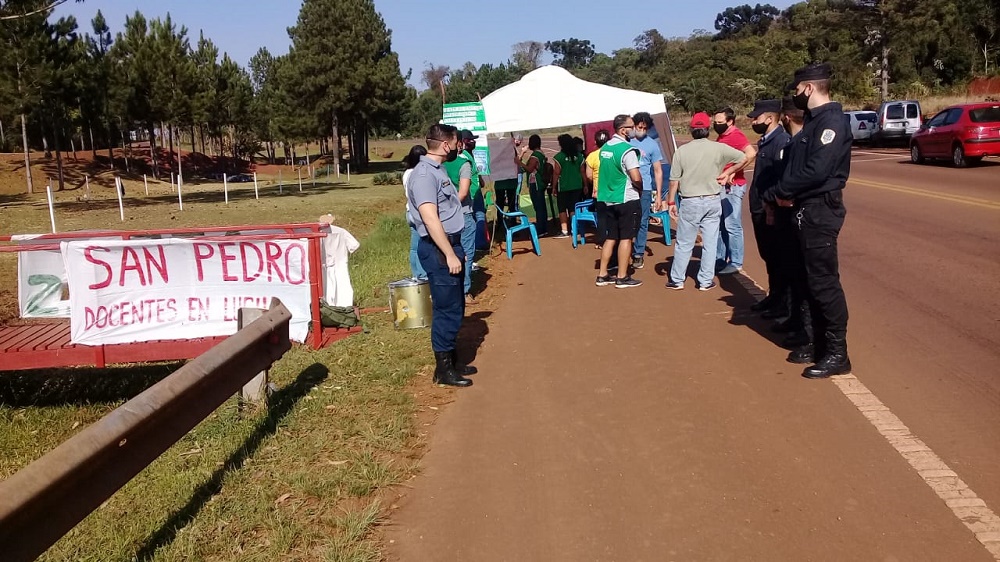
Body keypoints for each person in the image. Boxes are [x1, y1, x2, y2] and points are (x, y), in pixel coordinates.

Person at [764, 62, 852, 380]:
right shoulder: (814, 122)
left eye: (798, 89)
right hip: (803, 207)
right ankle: (816, 343)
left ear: (810, 88)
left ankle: (837, 353)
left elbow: (817, 170)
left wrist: (780, 191)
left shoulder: (832, 122)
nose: (796, 94)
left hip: (820, 209)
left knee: (823, 283)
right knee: (806, 280)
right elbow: (798, 167)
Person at [407, 124, 475, 387]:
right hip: (438, 249)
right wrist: (449, 253)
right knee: (447, 309)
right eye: (456, 143)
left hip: (449, 245)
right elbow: (430, 218)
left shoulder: (438, 170)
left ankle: (452, 361)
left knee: (455, 305)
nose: (459, 147)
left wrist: (457, 250)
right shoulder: (424, 175)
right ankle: (443, 370)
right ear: (446, 144)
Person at [665, 112, 749, 291]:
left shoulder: (682, 151)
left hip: (690, 201)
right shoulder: (718, 148)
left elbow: (674, 180)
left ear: (691, 130)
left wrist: (671, 202)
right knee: (710, 242)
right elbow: (743, 157)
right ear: (707, 129)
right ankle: (705, 280)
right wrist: (728, 172)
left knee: (684, 242)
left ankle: (677, 279)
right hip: (712, 199)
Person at [746, 99, 791, 312]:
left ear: (770, 118)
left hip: (769, 209)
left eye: (757, 118)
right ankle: (774, 297)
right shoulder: (766, 140)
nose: (754, 121)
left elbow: (781, 179)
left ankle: (783, 303)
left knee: (778, 257)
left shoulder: (781, 141)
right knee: (768, 256)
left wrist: (771, 205)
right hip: (760, 207)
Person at [595, 114, 643, 289]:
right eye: (632, 126)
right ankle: (622, 277)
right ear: (623, 130)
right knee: (626, 237)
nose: (635, 129)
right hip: (626, 198)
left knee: (611, 237)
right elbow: (635, 176)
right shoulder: (627, 150)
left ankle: (602, 274)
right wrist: (640, 188)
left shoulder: (605, 147)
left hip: (609, 199)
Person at [713, 107, 757, 275]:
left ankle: (736, 262)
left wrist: (733, 171)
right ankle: (720, 258)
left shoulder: (736, 135)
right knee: (721, 224)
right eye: (715, 122)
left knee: (732, 225)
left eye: (720, 122)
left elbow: (751, 153)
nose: (717, 125)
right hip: (722, 185)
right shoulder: (722, 136)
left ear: (730, 121)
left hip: (733, 186)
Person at [443, 129, 481, 304]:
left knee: (447, 253)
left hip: (443, 216)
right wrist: (453, 207)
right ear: (459, 144)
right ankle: (464, 291)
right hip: (463, 212)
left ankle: (450, 290)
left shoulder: (440, 164)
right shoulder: (464, 163)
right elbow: (464, 192)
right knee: (466, 253)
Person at [629, 111, 666, 270]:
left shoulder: (652, 145)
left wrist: (658, 195)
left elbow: (658, 171)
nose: (642, 131)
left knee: (643, 221)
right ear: (634, 126)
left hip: (644, 189)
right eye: (639, 127)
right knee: (626, 220)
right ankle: (623, 248)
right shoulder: (627, 141)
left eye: (645, 128)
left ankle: (638, 253)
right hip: (627, 188)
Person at [551, 134, 586, 238]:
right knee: (573, 208)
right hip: (577, 186)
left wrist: (553, 186)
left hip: (563, 187)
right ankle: (575, 229)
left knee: (562, 208)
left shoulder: (559, 157)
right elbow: (583, 172)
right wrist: (585, 185)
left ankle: (564, 230)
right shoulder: (579, 156)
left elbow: (556, 173)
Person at [402, 145, 429, 280]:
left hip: (409, 211)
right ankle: (423, 274)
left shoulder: (407, 173)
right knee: (424, 244)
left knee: (414, 246)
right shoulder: (420, 173)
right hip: (419, 212)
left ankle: (416, 273)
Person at [585, 129, 611, 251]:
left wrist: (594, 183)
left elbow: (589, 175)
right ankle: (615, 240)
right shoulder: (613, 153)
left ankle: (602, 241)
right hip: (614, 190)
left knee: (601, 217)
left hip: (599, 191)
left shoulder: (592, 156)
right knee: (614, 216)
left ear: (595, 142)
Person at [518, 134, 549, 236]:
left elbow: (529, 169)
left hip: (535, 183)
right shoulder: (541, 153)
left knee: (538, 206)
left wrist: (519, 163)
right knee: (541, 206)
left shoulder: (535, 156)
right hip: (540, 183)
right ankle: (544, 226)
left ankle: (541, 228)